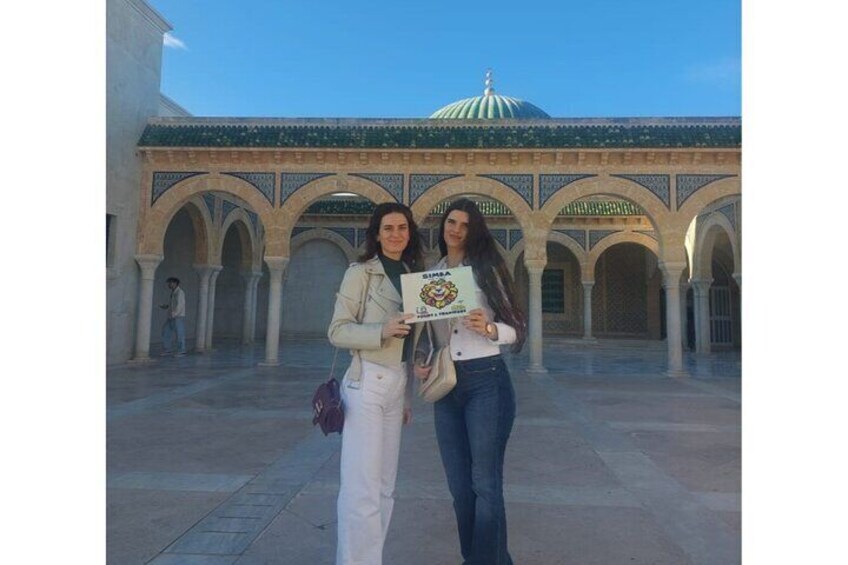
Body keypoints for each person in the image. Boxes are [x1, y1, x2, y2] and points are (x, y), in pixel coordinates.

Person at [414, 198, 527, 565]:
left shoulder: (487, 269)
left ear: (473, 230)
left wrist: (491, 328)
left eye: (464, 225)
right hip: (448, 386)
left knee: (485, 484)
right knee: (460, 487)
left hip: (486, 381)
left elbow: (518, 329)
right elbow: (430, 336)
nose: (456, 230)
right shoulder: (433, 274)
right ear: (443, 225)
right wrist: (421, 359)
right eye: (451, 222)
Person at [328, 202, 425, 565]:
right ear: (376, 234)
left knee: (385, 488)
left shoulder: (413, 275)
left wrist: (407, 396)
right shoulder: (361, 273)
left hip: (396, 386)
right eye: (388, 228)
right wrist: (380, 330)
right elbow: (337, 331)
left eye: (402, 228)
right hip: (366, 381)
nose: (396, 234)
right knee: (362, 488)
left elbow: (413, 343)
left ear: (410, 232)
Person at [159, 276, 187, 356]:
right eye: (169, 283)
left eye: (170, 283)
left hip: (177, 317)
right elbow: (173, 304)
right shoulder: (173, 292)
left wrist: (174, 314)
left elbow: (180, 305)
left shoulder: (180, 293)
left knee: (179, 334)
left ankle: (182, 350)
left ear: (175, 283)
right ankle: (167, 349)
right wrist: (166, 306)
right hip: (171, 316)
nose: (169, 284)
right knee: (166, 331)